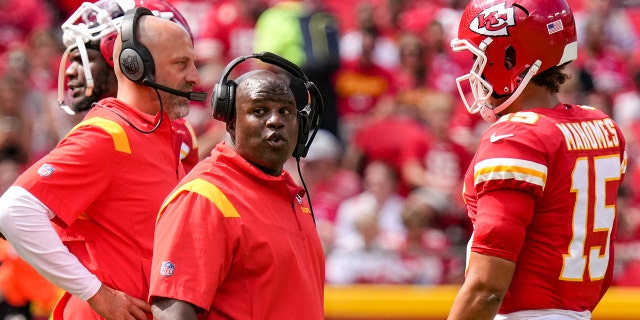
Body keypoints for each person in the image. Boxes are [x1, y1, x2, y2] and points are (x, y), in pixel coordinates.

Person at [0, 6, 201, 320]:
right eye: (181, 64)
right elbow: (14, 210)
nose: (69, 71)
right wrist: (94, 292)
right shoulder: (108, 134)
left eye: (85, 57)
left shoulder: (172, 132)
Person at [446, 0, 627, 319]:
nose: (474, 71)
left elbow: (486, 288)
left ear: (510, 57)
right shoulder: (602, 125)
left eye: (480, 58)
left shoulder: (517, 137)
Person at [148, 53, 325, 319]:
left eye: (285, 111)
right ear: (230, 122)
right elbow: (171, 311)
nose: (275, 120)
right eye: (259, 110)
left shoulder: (291, 194)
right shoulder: (206, 196)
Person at [58, 0, 201, 172]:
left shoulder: (107, 133)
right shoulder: (104, 132)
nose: (70, 72)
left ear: (132, 60)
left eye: (83, 59)